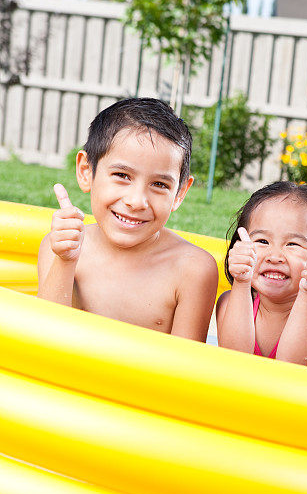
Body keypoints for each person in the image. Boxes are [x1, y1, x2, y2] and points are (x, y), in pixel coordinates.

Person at [38, 97, 218, 341]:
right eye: (122, 175)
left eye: (159, 184)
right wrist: (66, 261)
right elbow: (44, 337)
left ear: (180, 193)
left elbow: (185, 369)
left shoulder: (192, 269)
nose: (137, 201)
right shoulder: (58, 248)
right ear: (86, 171)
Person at [216, 181, 307, 370]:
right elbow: (234, 361)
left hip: (295, 399)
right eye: (262, 241)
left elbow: (292, 369)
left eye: (292, 244)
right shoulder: (230, 301)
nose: (274, 257)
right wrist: (241, 283)